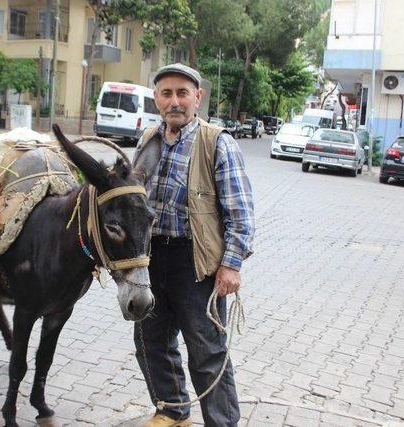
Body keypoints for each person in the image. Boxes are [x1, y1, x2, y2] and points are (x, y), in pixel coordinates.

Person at [132, 63, 255, 427]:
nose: (174, 101)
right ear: (156, 99)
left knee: (206, 351)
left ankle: (221, 422)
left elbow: (241, 212)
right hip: (151, 258)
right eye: (166, 93)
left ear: (197, 98)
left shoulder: (218, 142)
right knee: (150, 341)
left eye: (182, 93)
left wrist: (231, 265)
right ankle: (172, 411)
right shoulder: (147, 140)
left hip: (196, 264)